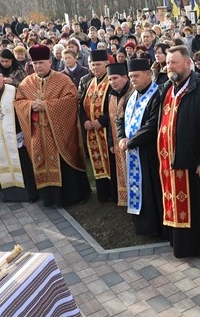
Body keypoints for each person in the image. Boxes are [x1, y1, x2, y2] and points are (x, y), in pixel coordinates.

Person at [14, 45, 90, 207]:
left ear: (50, 62)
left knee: (65, 162)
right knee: (41, 162)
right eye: (35, 64)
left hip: (60, 131)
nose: (38, 66)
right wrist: (30, 106)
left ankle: (72, 196)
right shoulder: (26, 83)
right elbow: (19, 102)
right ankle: (50, 198)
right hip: (38, 132)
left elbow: (71, 99)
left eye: (41, 63)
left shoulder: (62, 80)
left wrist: (47, 106)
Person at [156, 46, 200, 258]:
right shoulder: (168, 88)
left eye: (174, 62)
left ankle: (198, 248)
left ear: (188, 63)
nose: (169, 66)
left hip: (191, 164)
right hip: (169, 163)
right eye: (168, 62)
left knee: (195, 206)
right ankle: (179, 244)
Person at [115, 57, 163, 238]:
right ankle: (141, 226)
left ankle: (154, 228)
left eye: (136, 76)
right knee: (138, 188)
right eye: (130, 76)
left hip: (149, 153)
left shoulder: (157, 95)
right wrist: (121, 137)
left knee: (151, 190)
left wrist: (130, 141)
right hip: (133, 151)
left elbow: (152, 125)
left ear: (149, 74)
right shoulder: (131, 95)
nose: (132, 79)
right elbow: (119, 119)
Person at [0, 70, 37, 203]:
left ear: (1, 77)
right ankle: (9, 195)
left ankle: (30, 194)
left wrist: (24, 134)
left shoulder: (15, 91)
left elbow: (24, 113)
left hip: (16, 136)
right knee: (3, 164)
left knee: (23, 165)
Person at [78, 50, 114, 203]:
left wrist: (101, 121)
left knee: (110, 161)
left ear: (106, 65)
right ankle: (102, 194)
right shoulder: (88, 82)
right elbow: (81, 105)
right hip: (91, 130)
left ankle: (113, 193)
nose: (95, 67)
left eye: (98, 64)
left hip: (107, 130)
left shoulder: (111, 82)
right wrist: (85, 120)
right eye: (92, 65)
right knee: (97, 161)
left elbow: (114, 108)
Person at [103, 62, 135, 207]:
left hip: (131, 142)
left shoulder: (133, 93)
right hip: (117, 143)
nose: (112, 82)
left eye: (115, 78)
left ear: (125, 77)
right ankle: (125, 199)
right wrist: (111, 142)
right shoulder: (112, 95)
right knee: (121, 171)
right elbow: (111, 121)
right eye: (109, 79)